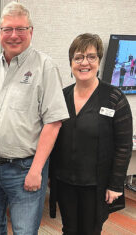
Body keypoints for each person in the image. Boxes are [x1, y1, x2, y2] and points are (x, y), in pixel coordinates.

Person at [0, 2, 69, 234]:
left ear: (31, 31)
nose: (13, 35)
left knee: (24, 231)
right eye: (7, 29)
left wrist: (36, 169)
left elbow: (53, 122)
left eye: (20, 29)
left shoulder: (44, 67)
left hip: (25, 167)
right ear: (0, 33)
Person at [49, 33, 133, 235]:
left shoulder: (114, 98)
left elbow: (123, 146)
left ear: (99, 60)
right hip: (65, 182)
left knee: (90, 231)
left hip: (96, 185)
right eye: (78, 57)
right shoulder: (62, 97)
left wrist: (115, 185)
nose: (84, 63)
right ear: (71, 62)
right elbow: (53, 137)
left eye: (91, 57)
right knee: (69, 229)